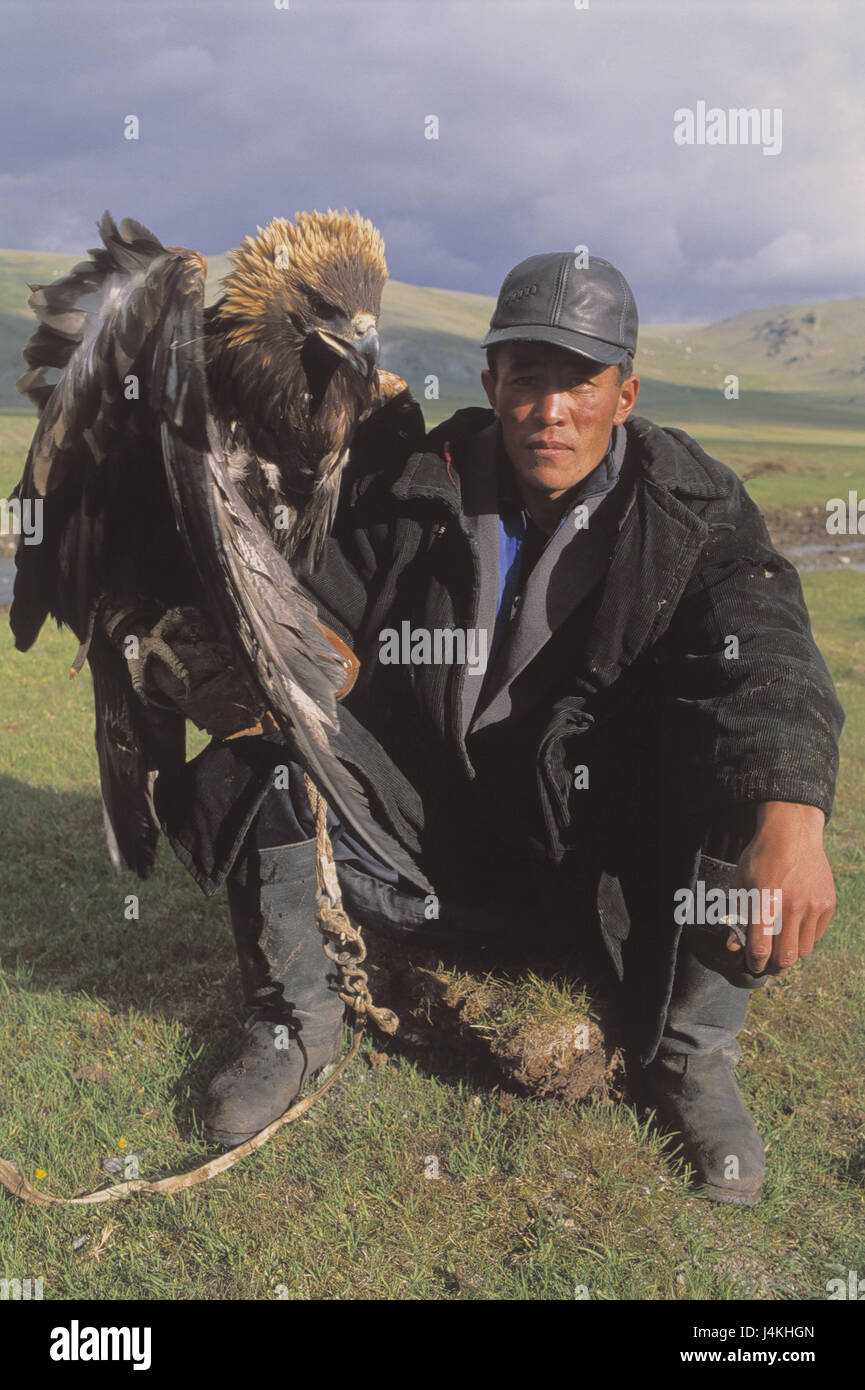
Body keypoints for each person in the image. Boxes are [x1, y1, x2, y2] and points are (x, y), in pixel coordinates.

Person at [129, 252, 844, 1207]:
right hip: (424, 840)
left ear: (623, 392)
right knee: (283, 722)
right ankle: (293, 1021)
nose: (550, 410)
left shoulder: (690, 508)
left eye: (578, 382)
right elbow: (318, 607)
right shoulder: (412, 484)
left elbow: (766, 650)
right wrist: (279, 659)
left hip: (602, 873)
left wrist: (789, 814)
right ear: (491, 383)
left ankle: (691, 1056)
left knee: (739, 756)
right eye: (527, 378)